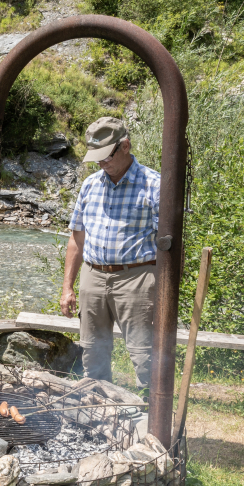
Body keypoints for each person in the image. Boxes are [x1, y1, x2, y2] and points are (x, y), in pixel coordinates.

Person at [59, 117, 160, 391]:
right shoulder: (90, 185)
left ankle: (150, 407)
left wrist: (168, 290)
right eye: (97, 158)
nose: (101, 163)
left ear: (125, 146)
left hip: (137, 278)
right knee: (92, 349)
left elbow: (170, 245)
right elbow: (77, 238)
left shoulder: (154, 184)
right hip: (93, 275)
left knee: (143, 351)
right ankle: (97, 400)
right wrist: (67, 287)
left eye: (106, 156)